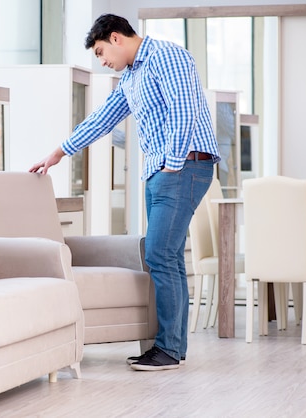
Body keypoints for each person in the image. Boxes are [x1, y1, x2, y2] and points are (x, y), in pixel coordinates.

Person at [30, 14, 220, 371]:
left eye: (101, 52)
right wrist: (58, 152)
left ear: (116, 38)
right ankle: (173, 349)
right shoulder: (132, 76)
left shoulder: (166, 56)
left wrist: (172, 164)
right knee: (168, 257)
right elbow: (102, 119)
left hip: (183, 166)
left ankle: (167, 348)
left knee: (159, 253)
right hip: (161, 171)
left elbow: (185, 111)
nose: (102, 61)